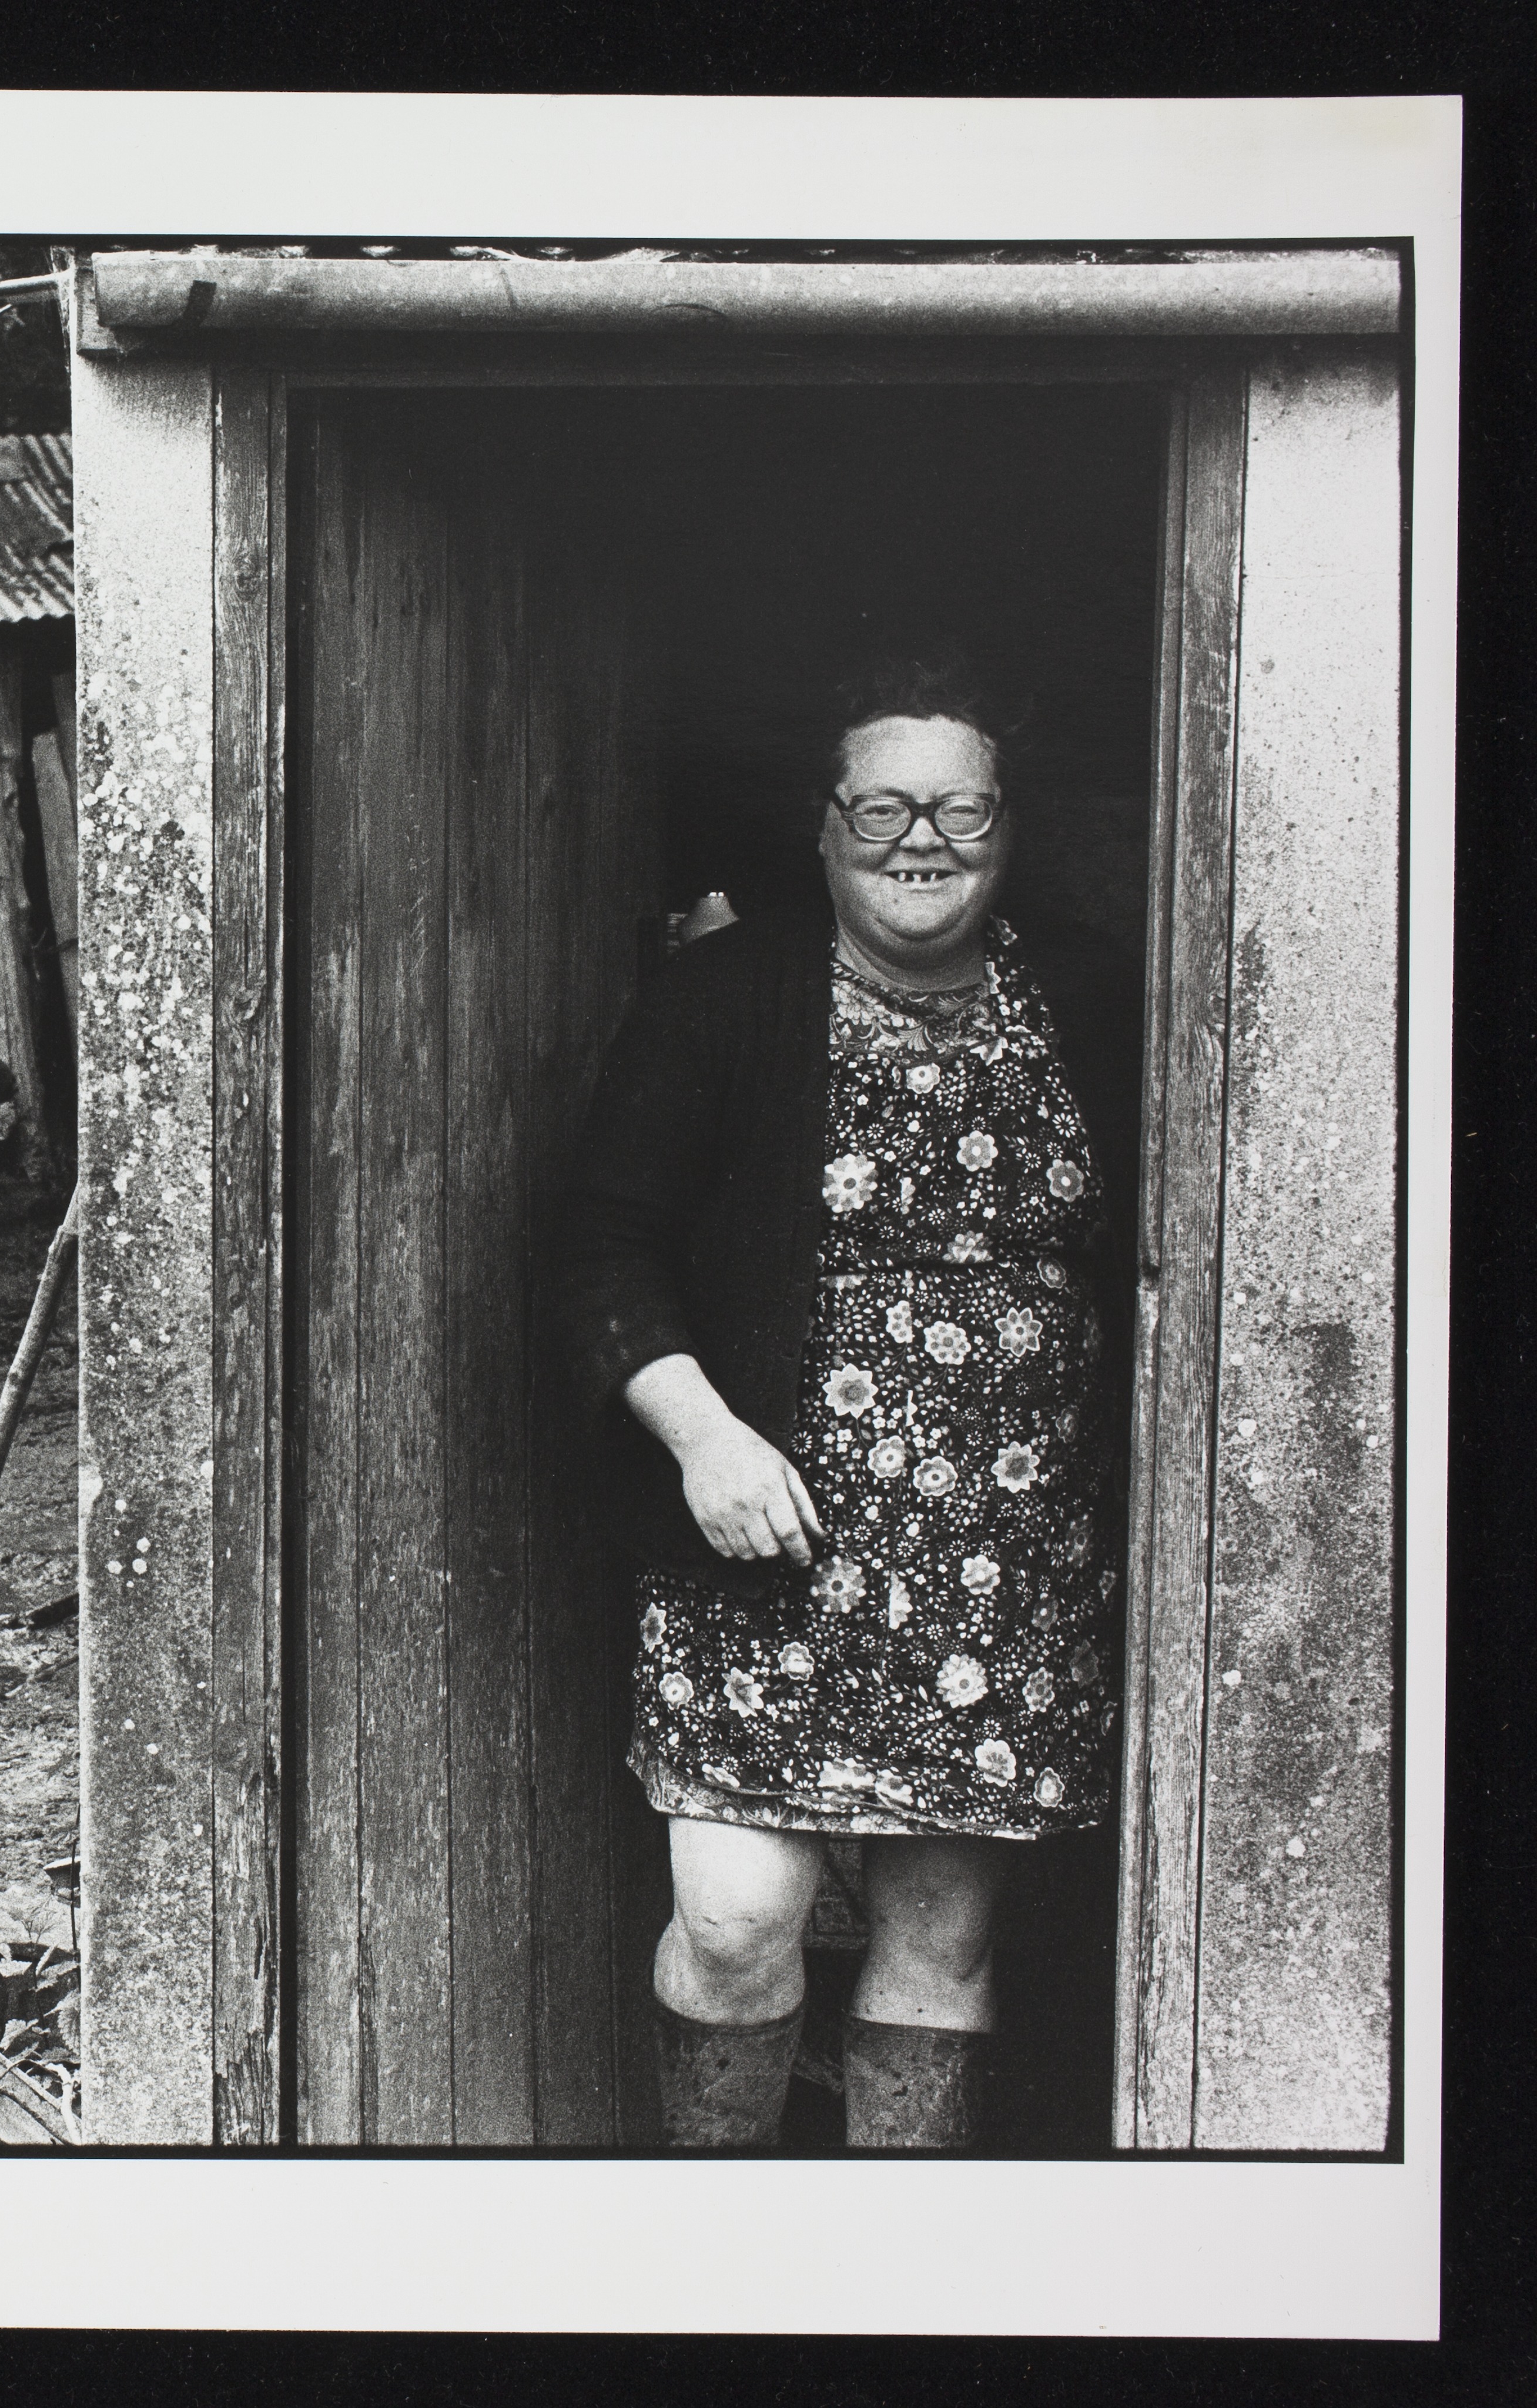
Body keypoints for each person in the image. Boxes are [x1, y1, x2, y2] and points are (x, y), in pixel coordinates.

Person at [561, 662, 1138, 2151]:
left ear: (1007, 828)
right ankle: (723, 2254)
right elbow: (601, 1237)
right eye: (884, 804)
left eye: (959, 805)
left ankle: (894, 2274)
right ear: (824, 828)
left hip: (1001, 1557)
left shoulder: (1084, 991)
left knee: (939, 1942)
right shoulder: (723, 996)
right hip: (767, 1533)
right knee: (742, 1919)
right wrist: (702, 1435)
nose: (921, 838)